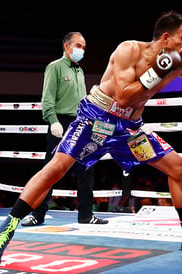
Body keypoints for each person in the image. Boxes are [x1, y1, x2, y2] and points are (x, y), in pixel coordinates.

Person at [0, 11, 182, 267]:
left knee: (178, 166)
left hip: (130, 129)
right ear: (165, 38)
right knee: (56, 168)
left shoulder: (176, 62)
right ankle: (4, 232)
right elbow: (123, 95)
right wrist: (157, 70)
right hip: (96, 118)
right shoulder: (129, 50)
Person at [21, 32, 107, 226]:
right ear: (67, 47)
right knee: (50, 169)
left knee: (87, 167)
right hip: (61, 122)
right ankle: (38, 214)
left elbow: (84, 101)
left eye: (84, 47)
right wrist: (52, 121)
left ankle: (86, 214)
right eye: (78, 46)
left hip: (81, 123)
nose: (82, 50)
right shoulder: (55, 67)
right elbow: (47, 98)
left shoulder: (80, 71)